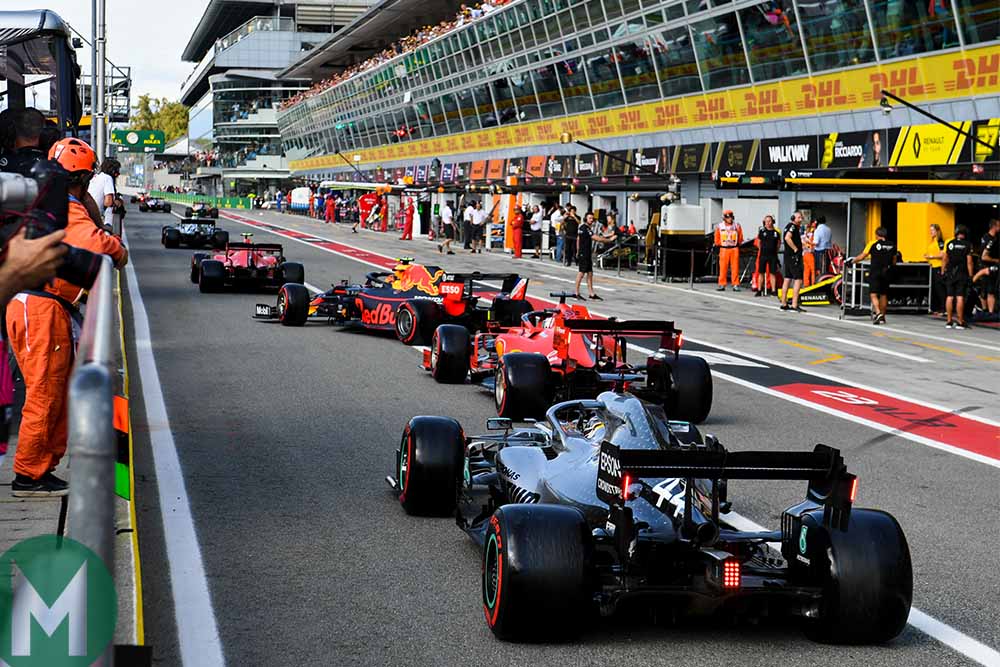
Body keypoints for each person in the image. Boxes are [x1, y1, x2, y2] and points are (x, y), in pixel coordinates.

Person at [7, 138, 128, 497]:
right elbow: (98, 245)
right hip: (41, 306)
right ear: (86, 179)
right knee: (45, 393)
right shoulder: (68, 207)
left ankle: (40, 469)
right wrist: (117, 248)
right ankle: (28, 474)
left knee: (54, 392)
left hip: (40, 305)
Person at [848, 226, 896, 325]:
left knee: (873, 294)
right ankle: (882, 317)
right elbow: (894, 260)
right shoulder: (892, 245)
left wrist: (852, 261)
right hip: (887, 272)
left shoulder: (873, 244)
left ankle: (878, 313)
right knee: (883, 294)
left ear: (877, 235)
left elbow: (863, 256)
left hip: (875, 271)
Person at [574, 212, 614, 300]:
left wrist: (577, 250)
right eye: (590, 218)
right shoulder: (585, 229)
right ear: (586, 219)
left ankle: (591, 293)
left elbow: (578, 239)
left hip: (586, 253)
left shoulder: (583, 228)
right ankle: (576, 293)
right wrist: (609, 240)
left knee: (590, 273)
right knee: (581, 273)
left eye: (592, 218)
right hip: (584, 254)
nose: (591, 220)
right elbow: (597, 238)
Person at [942, 226, 974, 329]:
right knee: (960, 296)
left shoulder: (950, 244)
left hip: (951, 273)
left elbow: (945, 259)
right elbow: (969, 262)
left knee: (950, 296)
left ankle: (949, 321)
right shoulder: (967, 245)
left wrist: (943, 271)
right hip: (962, 273)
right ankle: (960, 322)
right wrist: (971, 275)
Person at [780, 211, 806, 311]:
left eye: (801, 217)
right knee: (798, 279)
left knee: (787, 278)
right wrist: (795, 248)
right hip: (794, 257)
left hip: (788, 256)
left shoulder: (789, 226)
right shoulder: (793, 227)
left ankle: (783, 303)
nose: (801, 219)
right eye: (799, 217)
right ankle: (794, 304)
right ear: (793, 218)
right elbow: (787, 238)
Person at [714, 210, 743, 291]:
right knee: (723, 267)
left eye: (730, 217)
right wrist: (721, 243)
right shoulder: (720, 226)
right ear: (724, 218)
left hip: (734, 248)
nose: (729, 219)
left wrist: (737, 244)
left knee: (735, 267)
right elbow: (716, 238)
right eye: (727, 218)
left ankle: (735, 284)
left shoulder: (737, 226)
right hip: (724, 249)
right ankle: (722, 284)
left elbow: (740, 237)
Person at [87, 158, 118, 230]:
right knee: (110, 209)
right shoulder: (107, 178)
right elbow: (108, 202)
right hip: (96, 215)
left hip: (84, 213)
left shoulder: (94, 177)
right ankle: (108, 229)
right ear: (113, 171)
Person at [755, 215, 781, 297]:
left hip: (772, 255)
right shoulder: (762, 231)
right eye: (766, 221)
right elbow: (758, 242)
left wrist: (775, 251)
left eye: (769, 221)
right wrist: (762, 249)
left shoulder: (776, 233)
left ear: (772, 222)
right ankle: (759, 290)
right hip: (763, 255)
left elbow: (778, 244)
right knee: (761, 273)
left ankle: (773, 290)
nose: (768, 223)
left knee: (773, 273)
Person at [923, 223, 945, 313]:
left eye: (932, 230)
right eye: (930, 230)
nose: (931, 232)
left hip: (938, 266)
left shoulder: (940, 242)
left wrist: (931, 256)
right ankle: (936, 307)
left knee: (940, 288)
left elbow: (942, 254)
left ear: (937, 231)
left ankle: (943, 308)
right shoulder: (932, 241)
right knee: (934, 289)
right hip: (932, 267)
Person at [980, 218, 999, 315]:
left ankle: (985, 311)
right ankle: (990, 313)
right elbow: (984, 256)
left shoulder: (984, 237)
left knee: (985, 290)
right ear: (994, 227)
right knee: (990, 290)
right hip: (988, 267)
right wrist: (996, 260)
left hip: (984, 267)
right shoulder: (992, 240)